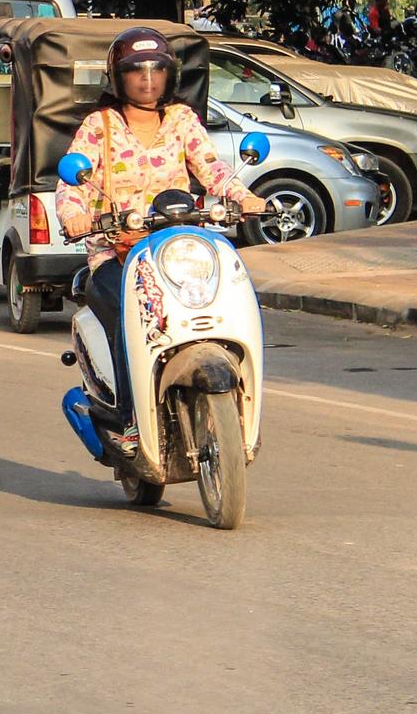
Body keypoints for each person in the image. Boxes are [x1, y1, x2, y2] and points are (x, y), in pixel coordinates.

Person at [56, 27, 266, 449]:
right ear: (118, 78)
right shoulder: (100, 126)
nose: (147, 80)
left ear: (170, 76)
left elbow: (212, 170)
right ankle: (129, 417)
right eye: (137, 72)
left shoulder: (182, 119)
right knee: (127, 312)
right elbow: (72, 186)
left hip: (180, 249)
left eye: (156, 71)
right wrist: (75, 215)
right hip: (118, 253)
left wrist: (245, 197)